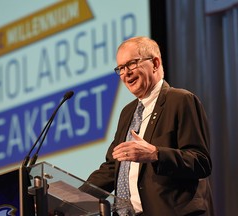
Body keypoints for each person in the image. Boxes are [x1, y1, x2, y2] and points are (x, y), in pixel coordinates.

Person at [86, 36, 214, 216]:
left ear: (155, 63)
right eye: (121, 68)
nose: (125, 73)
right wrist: (74, 199)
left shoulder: (180, 100)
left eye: (131, 64)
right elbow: (112, 167)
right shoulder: (127, 112)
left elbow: (201, 161)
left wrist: (155, 154)